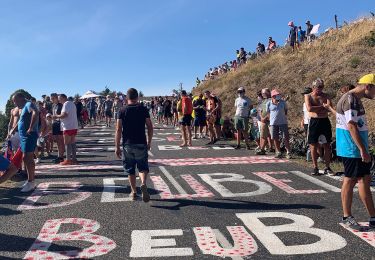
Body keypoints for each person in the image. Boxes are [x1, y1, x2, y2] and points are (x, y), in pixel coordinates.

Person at [336, 74, 375, 230]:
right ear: (368, 86)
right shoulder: (351, 99)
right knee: (350, 179)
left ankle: (373, 216)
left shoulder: (355, 99)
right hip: (351, 148)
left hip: (357, 147)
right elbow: (351, 126)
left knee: (364, 179)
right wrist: (362, 149)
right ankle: (347, 216)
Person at [115, 88, 153, 202]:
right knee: (143, 167)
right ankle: (143, 183)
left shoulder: (122, 110)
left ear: (127, 98)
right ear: (137, 97)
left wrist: (117, 146)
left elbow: (118, 129)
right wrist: (149, 141)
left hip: (128, 144)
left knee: (130, 169)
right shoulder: (143, 109)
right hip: (141, 142)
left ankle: (133, 192)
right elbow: (150, 126)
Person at [305, 78, 334, 175]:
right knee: (313, 144)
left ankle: (327, 167)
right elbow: (309, 108)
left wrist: (319, 108)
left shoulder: (326, 95)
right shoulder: (308, 96)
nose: (320, 89)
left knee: (327, 145)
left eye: (322, 87)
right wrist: (323, 107)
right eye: (319, 87)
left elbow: (329, 107)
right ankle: (315, 167)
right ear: (313, 87)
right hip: (314, 121)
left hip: (324, 121)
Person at [13, 92, 39, 192]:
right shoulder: (24, 107)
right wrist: (13, 130)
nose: (14, 103)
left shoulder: (29, 104)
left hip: (29, 135)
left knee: (28, 157)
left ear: (20, 98)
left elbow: (35, 112)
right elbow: (20, 121)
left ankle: (31, 182)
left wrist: (31, 127)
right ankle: (30, 181)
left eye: (15, 101)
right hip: (24, 136)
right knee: (26, 157)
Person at [53, 94, 79, 165]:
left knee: (67, 143)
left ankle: (68, 159)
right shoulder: (72, 104)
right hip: (73, 125)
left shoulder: (66, 104)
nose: (59, 100)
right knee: (73, 143)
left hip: (68, 126)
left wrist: (56, 116)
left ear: (63, 98)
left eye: (60, 99)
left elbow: (64, 115)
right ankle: (74, 159)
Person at [267, 90, 291, 159]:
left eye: (278, 95)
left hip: (283, 122)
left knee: (286, 137)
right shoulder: (268, 103)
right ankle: (278, 151)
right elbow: (268, 113)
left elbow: (286, 111)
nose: (278, 96)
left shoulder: (283, 102)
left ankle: (288, 152)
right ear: (272, 96)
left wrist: (282, 117)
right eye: (276, 95)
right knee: (275, 138)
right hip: (273, 123)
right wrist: (270, 121)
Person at [256, 88, 274, 155]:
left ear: (269, 93)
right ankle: (262, 149)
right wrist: (261, 117)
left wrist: (266, 117)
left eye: (265, 93)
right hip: (263, 121)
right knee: (263, 135)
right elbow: (260, 110)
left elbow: (272, 110)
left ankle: (274, 148)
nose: (263, 95)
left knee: (273, 135)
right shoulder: (263, 101)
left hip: (270, 120)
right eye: (263, 93)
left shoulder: (272, 100)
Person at [51, 93, 65, 164]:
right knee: (57, 141)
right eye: (51, 98)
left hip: (59, 123)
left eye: (53, 98)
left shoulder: (61, 105)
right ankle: (59, 156)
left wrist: (55, 116)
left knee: (60, 140)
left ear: (57, 98)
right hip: (55, 123)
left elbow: (62, 115)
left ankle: (61, 156)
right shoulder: (53, 105)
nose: (52, 100)